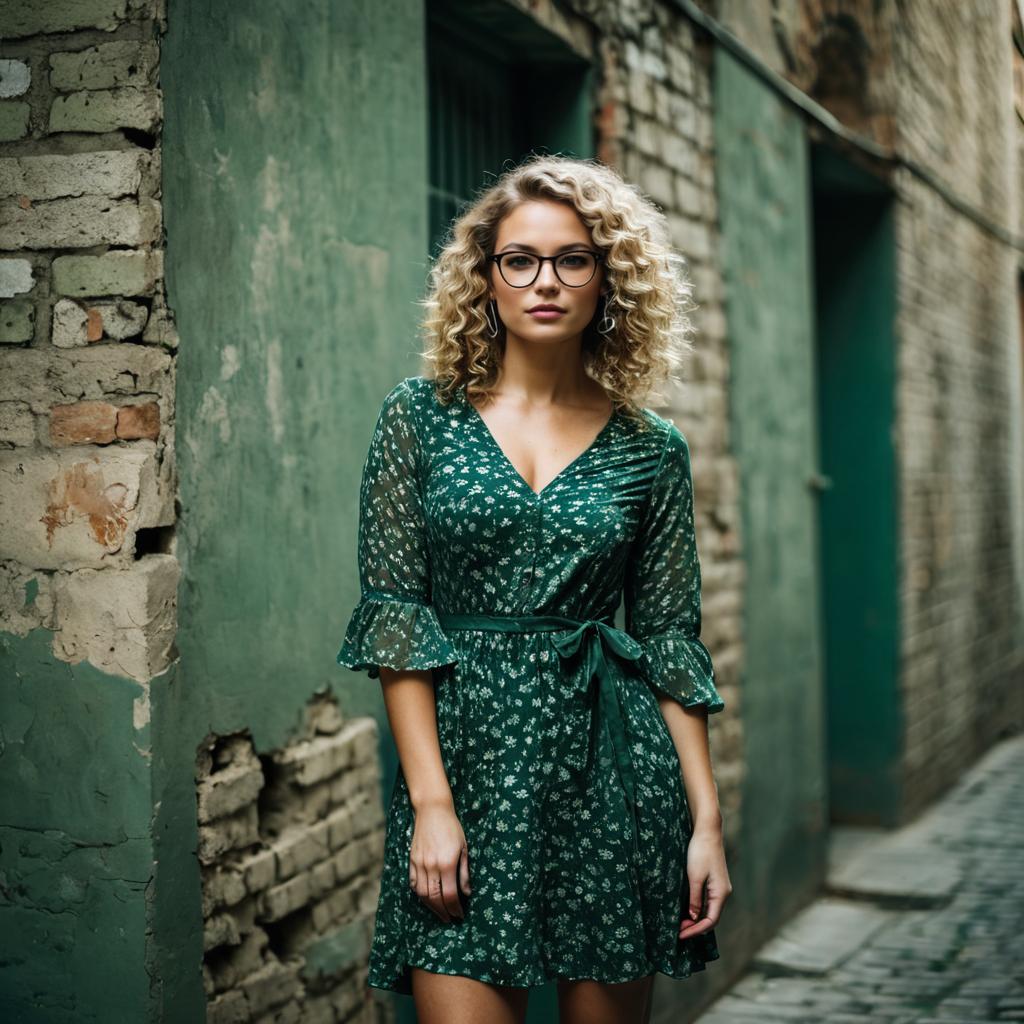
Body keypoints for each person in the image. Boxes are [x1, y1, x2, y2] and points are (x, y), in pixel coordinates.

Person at [336, 154, 732, 1024]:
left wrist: (704, 822)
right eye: (519, 259)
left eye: (572, 259)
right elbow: (398, 624)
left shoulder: (649, 447)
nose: (544, 281)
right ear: (486, 277)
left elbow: (670, 642)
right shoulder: (417, 417)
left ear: (608, 279)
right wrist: (431, 807)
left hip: (615, 777)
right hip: (465, 778)